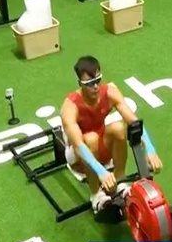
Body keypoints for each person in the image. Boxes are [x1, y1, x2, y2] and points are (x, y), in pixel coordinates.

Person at [61, 55, 163, 213]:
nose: (95, 87)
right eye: (89, 83)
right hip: (78, 155)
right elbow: (79, 146)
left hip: (101, 145)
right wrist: (101, 172)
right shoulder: (70, 106)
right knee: (91, 139)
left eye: (98, 80)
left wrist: (150, 149)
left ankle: (120, 181)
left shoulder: (109, 92)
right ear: (80, 83)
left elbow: (134, 122)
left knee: (118, 128)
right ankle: (96, 195)